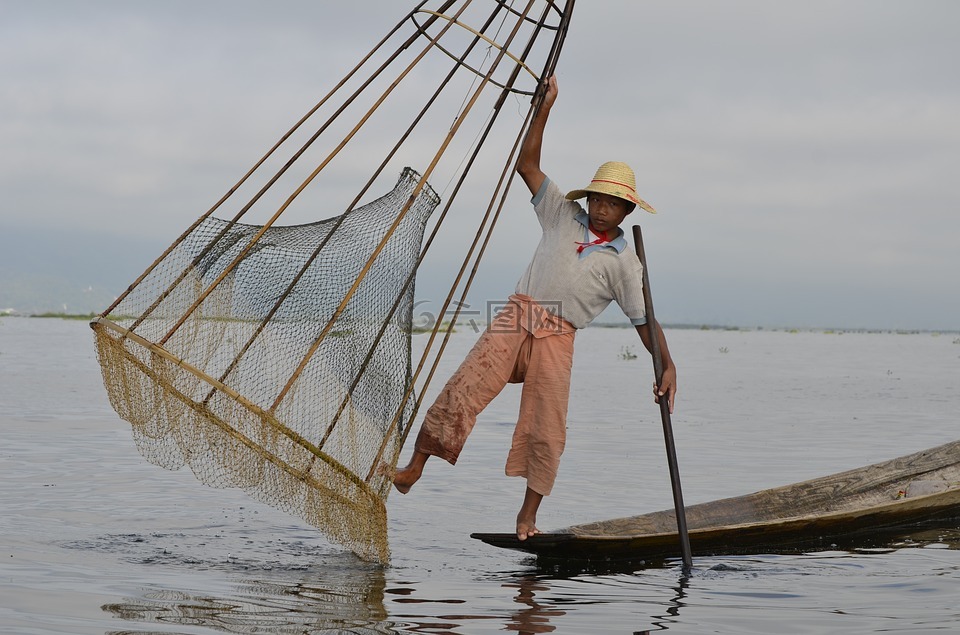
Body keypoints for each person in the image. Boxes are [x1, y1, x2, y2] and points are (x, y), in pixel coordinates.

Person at [391, 75, 677, 541]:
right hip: (516, 317)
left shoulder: (625, 263)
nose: (603, 208)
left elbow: (644, 322)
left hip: (558, 338)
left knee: (547, 428)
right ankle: (414, 469)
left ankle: (527, 516)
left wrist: (667, 365)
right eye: (599, 199)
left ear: (628, 212)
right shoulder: (563, 213)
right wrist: (545, 107)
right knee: (464, 387)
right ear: (590, 199)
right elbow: (527, 165)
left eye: (614, 203)